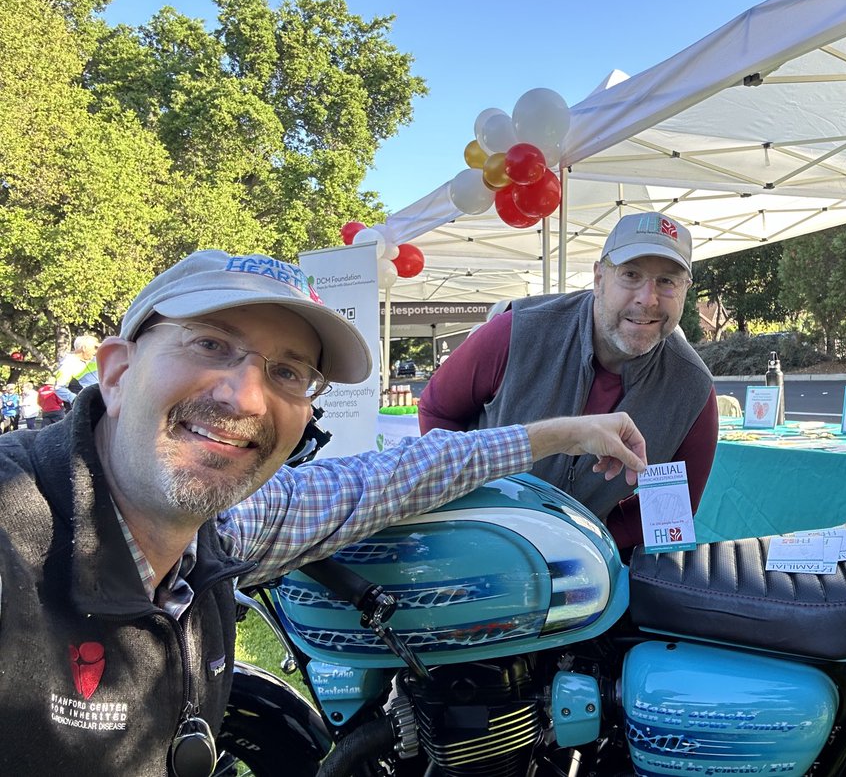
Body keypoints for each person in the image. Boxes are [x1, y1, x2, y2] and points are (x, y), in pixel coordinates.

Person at [0, 248, 647, 773]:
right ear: (115, 370)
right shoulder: (14, 529)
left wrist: (563, 434)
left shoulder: (231, 523)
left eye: (287, 372)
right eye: (209, 345)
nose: (246, 396)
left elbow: (394, 476)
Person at [419, 212, 718, 550]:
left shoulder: (693, 390)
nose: (648, 298)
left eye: (667, 281)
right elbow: (437, 409)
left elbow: (668, 512)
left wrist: (589, 545)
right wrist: (467, 506)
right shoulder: (513, 333)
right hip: (476, 542)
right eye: (631, 275)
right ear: (599, 277)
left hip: (586, 574)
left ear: (686, 291)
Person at [53, 333, 101, 408]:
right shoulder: (68, 364)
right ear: (84, 348)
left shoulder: (94, 359)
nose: (96, 351)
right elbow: (59, 388)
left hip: (101, 400)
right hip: (85, 406)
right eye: (94, 348)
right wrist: (75, 399)